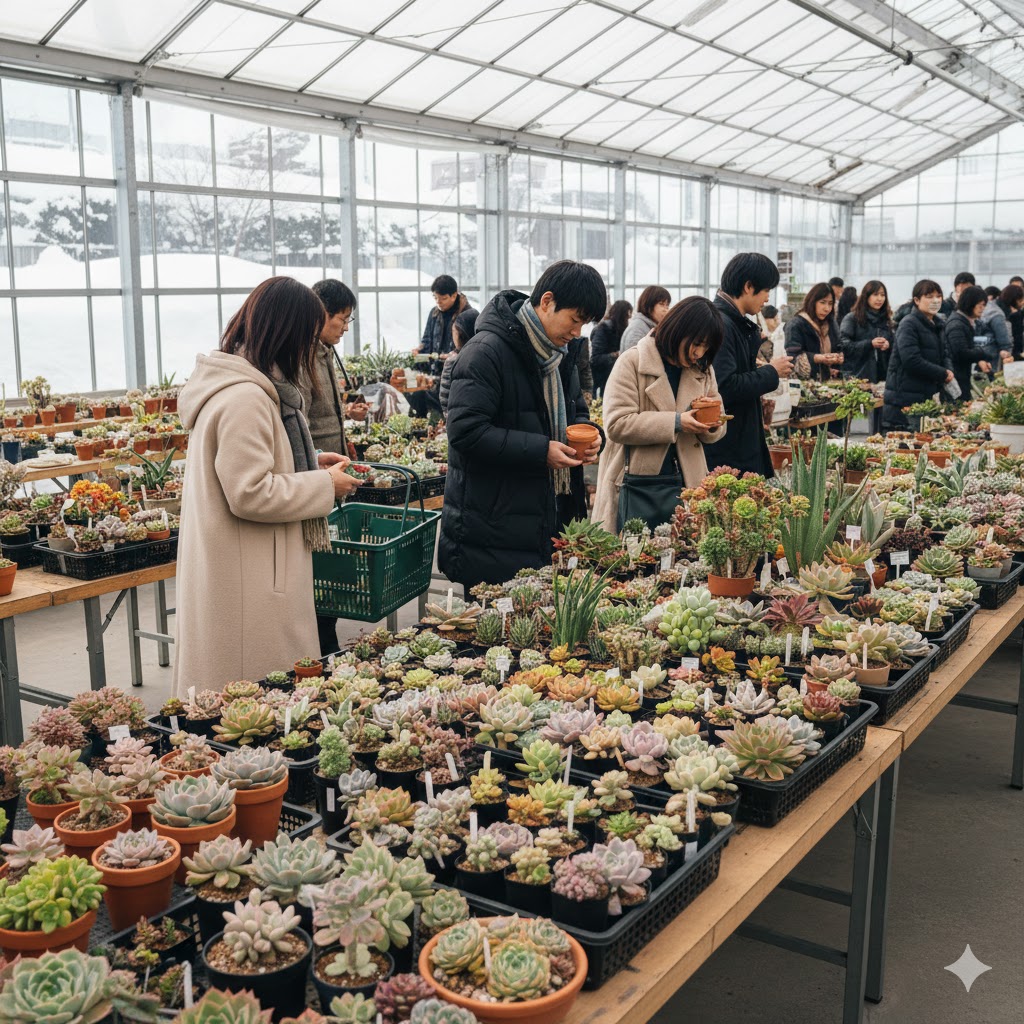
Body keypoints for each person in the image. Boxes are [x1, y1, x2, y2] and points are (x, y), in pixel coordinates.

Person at [173, 277, 361, 692]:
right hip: (250, 579)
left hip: (245, 566)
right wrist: (323, 486)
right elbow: (250, 491)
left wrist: (309, 465)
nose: (309, 351)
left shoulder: (241, 386)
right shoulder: (247, 397)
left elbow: (249, 467)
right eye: (306, 337)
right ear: (287, 334)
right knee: (253, 698)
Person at [440, 260, 606, 589]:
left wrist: (593, 436)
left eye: (583, 324)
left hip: (547, 518)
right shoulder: (486, 353)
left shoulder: (559, 355)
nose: (577, 333)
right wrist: (541, 450)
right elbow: (465, 431)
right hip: (492, 529)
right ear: (547, 301)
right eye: (574, 320)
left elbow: (578, 411)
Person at [591, 297, 727, 531]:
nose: (699, 352)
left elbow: (719, 421)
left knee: (686, 557)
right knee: (636, 556)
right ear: (677, 330)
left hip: (688, 484)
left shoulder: (703, 369)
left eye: (707, 347)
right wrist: (676, 422)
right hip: (637, 485)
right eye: (697, 343)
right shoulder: (633, 362)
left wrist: (711, 425)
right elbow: (616, 424)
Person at [298, 279, 368, 658]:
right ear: (320, 314)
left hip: (331, 467)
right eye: (341, 319)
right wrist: (324, 456)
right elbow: (300, 425)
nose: (344, 326)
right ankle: (322, 646)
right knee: (320, 565)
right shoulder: (302, 357)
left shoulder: (323, 352)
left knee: (329, 561)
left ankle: (327, 640)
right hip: (316, 476)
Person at [705, 252, 793, 477]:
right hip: (729, 448)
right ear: (748, 286)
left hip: (737, 440)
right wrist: (772, 372)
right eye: (766, 291)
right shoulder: (722, 325)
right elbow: (725, 387)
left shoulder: (732, 322)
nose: (767, 299)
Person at [883, 279, 953, 431]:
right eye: (929, 296)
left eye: (938, 296)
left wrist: (948, 370)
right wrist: (942, 373)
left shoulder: (938, 325)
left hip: (925, 396)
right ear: (916, 300)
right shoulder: (909, 324)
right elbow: (911, 360)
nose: (935, 300)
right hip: (904, 400)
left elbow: (945, 353)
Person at [784, 283, 843, 381]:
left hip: (826, 384)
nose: (827, 308)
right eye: (822, 302)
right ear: (812, 301)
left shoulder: (830, 322)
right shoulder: (796, 324)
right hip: (802, 385)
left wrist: (839, 357)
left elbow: (838, 346)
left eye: (830, 303)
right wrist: (819, 358)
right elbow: (792, 358)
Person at [839, 280, 893, 383]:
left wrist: (888, 345)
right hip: (857, 376)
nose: (879, 299)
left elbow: (895, 346)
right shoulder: (852, 318)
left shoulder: (886, 320)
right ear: (866, 296)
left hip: (882, 378)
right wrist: (870, 344)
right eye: (875, 294)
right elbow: (843, 346)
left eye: (882, 295)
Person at [944, 285, 993, 399]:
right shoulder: (957, 324)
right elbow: (961, 353)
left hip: (962, 375)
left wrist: (979, 359)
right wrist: (982, 353)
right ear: (970, 303)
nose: (982, 308)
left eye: (984, 305)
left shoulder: (965, 322)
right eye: (980, 305)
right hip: (956, 377)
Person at [439, 307, 479, 419]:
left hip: (457, 420)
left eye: (454, 332)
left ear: (460, 334)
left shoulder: (453, 360)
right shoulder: (484, 356)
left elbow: (444, 397)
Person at [590, 300, 632, 394]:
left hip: (611, 377)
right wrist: (616, 355)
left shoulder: (619, 329)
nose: (629, 320)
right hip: (601, 379)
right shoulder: (603, 329)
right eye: (627, 316)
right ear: (621, 315)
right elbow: (596, 359)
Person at [979, 283, 1023, 364]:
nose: (1022, 303)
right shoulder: (998, 315)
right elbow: (1005, 342)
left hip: (982, 355)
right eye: (1020, 300)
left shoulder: (991, 306)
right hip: (993, 358)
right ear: (1014, 300)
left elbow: (978, 339)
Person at [620, 286, 671, 351]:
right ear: (649, 305)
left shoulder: (649, 326)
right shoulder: (637, 329)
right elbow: (636, 359)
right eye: (661, 304)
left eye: (667, 305)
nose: (666, 310)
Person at [1009, 276, 1024, 357]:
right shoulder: (1008, 306)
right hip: (1013, 347)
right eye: (1013, 287)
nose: (1016, 290)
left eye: (1019, 287)